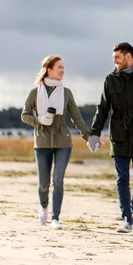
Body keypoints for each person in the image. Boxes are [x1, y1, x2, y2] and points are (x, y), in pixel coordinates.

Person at [87, 42, 133, 233]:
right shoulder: (111, 79)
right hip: (119, 135)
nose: (115, 62)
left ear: (128, 56)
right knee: (122, 179)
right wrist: (94, 133)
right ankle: (127, 219)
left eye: (117, 58)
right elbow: (102, 108)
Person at [21, 55, 91, 229]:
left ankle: (56, 218)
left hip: (63, 143)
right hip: (42, 143)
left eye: (63, 67)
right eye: (59, 67)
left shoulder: (66, 93)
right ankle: (44, 206)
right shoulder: (35, 92)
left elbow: (76, 117)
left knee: (58, 180)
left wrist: (89, 136)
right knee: (44, 184)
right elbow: (24, 115)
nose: (62, 71)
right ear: (49, 69)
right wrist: (39, 119)